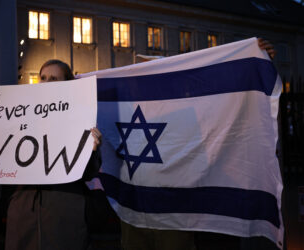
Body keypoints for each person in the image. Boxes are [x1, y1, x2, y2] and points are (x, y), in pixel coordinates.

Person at [119, 37, 277, 250]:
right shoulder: (123, 109)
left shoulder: (190, 112)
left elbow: (234, 104)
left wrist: (256, 61)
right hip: (133, 213)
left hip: (173, 215)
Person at [0, 59, 102, 250]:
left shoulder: (81, 119)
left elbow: (88, 173)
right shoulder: (20, 116)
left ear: (67, 84)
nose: (46, 83)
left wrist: (92, 150)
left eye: (53, 79)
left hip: (64, 216)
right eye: (43, 78)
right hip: (23, 216)